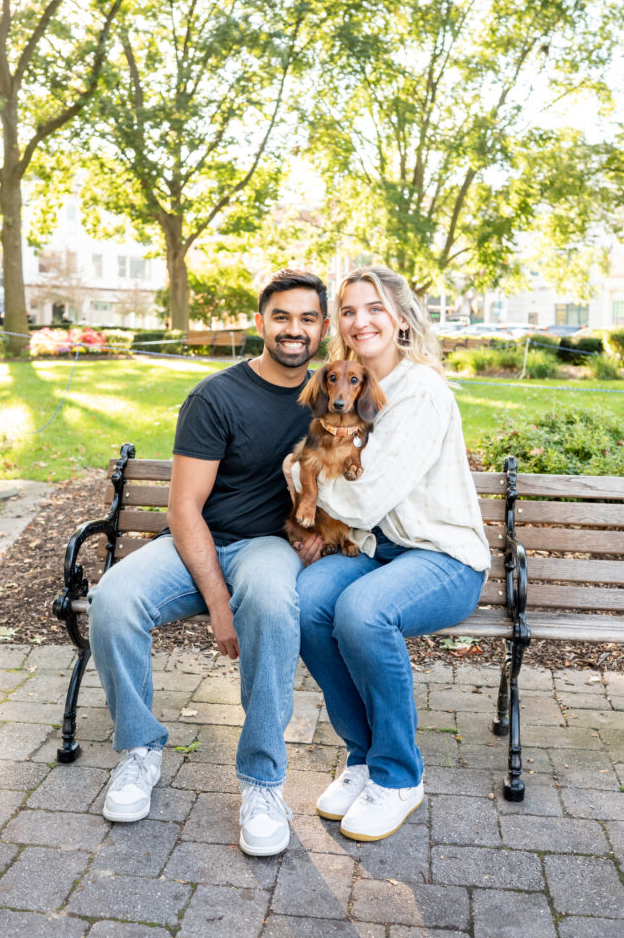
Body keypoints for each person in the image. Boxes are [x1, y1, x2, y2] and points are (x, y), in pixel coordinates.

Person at [89, 269, 329, 856]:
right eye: (281, 316)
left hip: (266, 547)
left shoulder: (330, 399)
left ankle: (263, 782)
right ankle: (139, 750)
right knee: (114, 600)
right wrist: (219, 603)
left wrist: (319, 528)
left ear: (322, 328)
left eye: (306, 318)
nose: (293, 330)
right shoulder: (216, 396)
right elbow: (185, 507)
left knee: (274, 603)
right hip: (196, 540)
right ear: (260, 323)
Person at [290, 265, 491, 842]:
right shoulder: (344, 390)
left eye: (374, 307)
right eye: (349, 310)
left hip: (442, 557)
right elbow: (317, 467)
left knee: (362, 612)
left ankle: (399, 776)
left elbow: (362, 495)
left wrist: (298, 471)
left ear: (400, 319)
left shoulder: (421, 392)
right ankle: (363, 758)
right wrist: (302, 469)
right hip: (381, 550)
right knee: (306, 601)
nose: (361, 320)